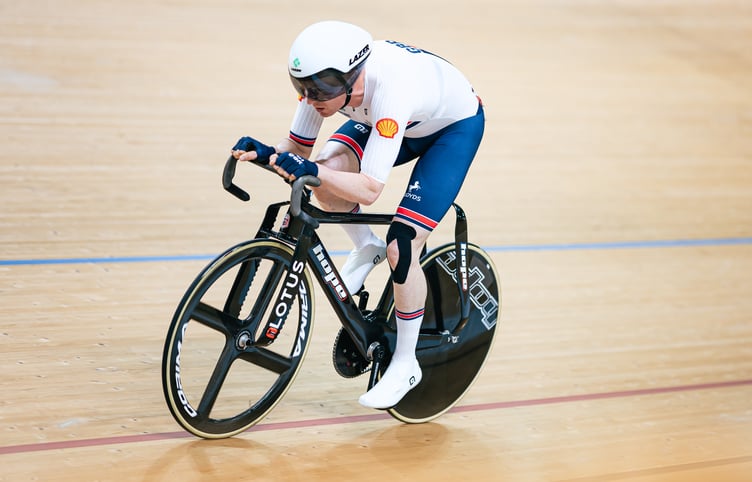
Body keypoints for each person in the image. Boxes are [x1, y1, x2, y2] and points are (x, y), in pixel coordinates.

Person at [231, 20, 485, 409]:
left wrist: (312, 171)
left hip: (452, 129)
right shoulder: (323, 89)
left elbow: (369, 189)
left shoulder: (390, 91)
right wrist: (267, 153)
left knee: (402, 244)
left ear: (352, 78)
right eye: (302, 87)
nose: (311, 98)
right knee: (327, 172)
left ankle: (405, 364)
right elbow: (298, 155)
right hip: (404, 121)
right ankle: (366, 246)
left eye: (320, 90)